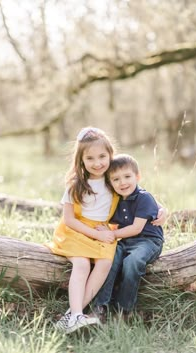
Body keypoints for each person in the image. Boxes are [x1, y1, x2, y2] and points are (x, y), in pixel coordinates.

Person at [47, 127, 119, 333]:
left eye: (102, 156)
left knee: (105, 262)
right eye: (90, 158)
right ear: (81, 160)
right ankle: (78, 315)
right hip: (75, 231)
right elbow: (69, 220)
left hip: (102, 231)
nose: (97, 163)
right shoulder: (75, 185)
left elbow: (139, 193)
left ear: (110, 155)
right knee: (82, 264)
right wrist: (97, 234)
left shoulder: (114, 180)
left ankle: (72, 314)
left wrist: (161, 209)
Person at [93, 153, 164, 319]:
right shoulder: (115, 199)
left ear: (137, 176)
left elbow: (136, 228)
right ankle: (100, 306)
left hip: (148, 241)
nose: (122, 182)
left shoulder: (144, 197)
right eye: (116, 179)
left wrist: (111, 234)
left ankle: (124, 310)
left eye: (127, 176)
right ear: (110, 183)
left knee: (133, 262)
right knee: (109, 258)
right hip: (125, 240)